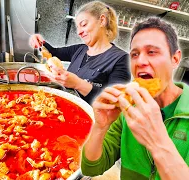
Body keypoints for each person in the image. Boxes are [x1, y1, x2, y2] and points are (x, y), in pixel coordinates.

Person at [81, 17, 189, 179]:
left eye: (152, 52)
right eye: (135, 54)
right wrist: (101, 126)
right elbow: (91, 169)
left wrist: (157, 142)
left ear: (175, 59)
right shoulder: (127, 110)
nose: (141, 61)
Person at [29, 1, 131, 104]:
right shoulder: (80, 49)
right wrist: (39, 41)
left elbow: (115, 101)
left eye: (84, 24)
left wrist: (78, 84)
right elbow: (54, 52)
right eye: (77, 27)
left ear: (102, 21)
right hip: (64, 108)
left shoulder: (121, 58)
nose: (79, 32)